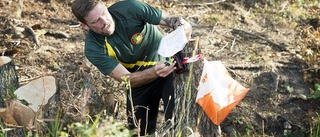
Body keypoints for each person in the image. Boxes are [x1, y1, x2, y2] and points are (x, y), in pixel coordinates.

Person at [71, 0, 192, 136]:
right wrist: (154, 72)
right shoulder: (94, 48)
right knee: (138, 131)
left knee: (180, 122)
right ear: (84, 25)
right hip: (139, 80)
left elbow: (169, 19)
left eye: (104, 13)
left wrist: (180, 24)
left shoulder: (130, 8)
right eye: (95, 21)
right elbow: (127, 79)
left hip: (169, 66)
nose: (104, 21)